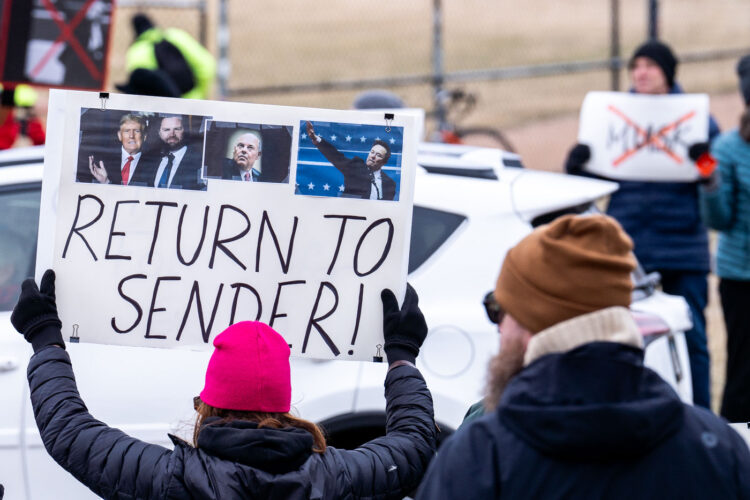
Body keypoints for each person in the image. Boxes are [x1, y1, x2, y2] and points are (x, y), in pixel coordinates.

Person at [11, 272, 436, 499]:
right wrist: (401, 355)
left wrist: (45, 337)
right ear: (285, 406)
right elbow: (413, 443)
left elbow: (68, 431)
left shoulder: (171, 479)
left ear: (208, 405)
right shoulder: (337, 476)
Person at [417, 214, 750, 499]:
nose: (499, 330)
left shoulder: (480, 458)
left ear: (536, 319)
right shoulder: (718, 450)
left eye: (499, 311)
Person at [564, 40, 719, 409]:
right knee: (619, 335)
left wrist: (703, 162)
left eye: (650, 65)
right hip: (627, 244)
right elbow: (588, 186)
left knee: (692, 337)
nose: (641, 72)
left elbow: (714, 181)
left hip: (683, 246)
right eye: (636, 65)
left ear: (668, 73)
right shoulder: (614, 118)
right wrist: (575, 167)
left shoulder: (697, 119)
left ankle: (701, 416)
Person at [698, 54, 750, 423]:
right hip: (741, 276)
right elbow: (718, 218)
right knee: (744, 372)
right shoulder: (728, 148)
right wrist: (707, 176)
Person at [122, 13, 216, 100]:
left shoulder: (136, 51)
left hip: (163, 108)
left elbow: (141, 86)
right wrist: (196, 96)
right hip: (194, 101)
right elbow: (207, 65)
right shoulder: (176, 35)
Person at [305, 121, 396, 200]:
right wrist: (315, 139)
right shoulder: (356, 167)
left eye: (378, 155)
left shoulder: (389, 184)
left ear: (384, 162)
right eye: (372, 152)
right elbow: (335, 156)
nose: (373, 156)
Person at [132, 114, 205, 191]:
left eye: (177, 129)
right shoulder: (149, 161)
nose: (172, 134)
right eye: (166, 130)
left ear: (184, 130)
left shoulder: (198, 162)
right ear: (159, 133)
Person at [88, 113, 147, 185]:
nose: (131, 136)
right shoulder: (102, 163)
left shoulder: (155, 166)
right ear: (119, 135)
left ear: (144, 136)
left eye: (137, 131)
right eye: (126, 131)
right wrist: (105, 182)